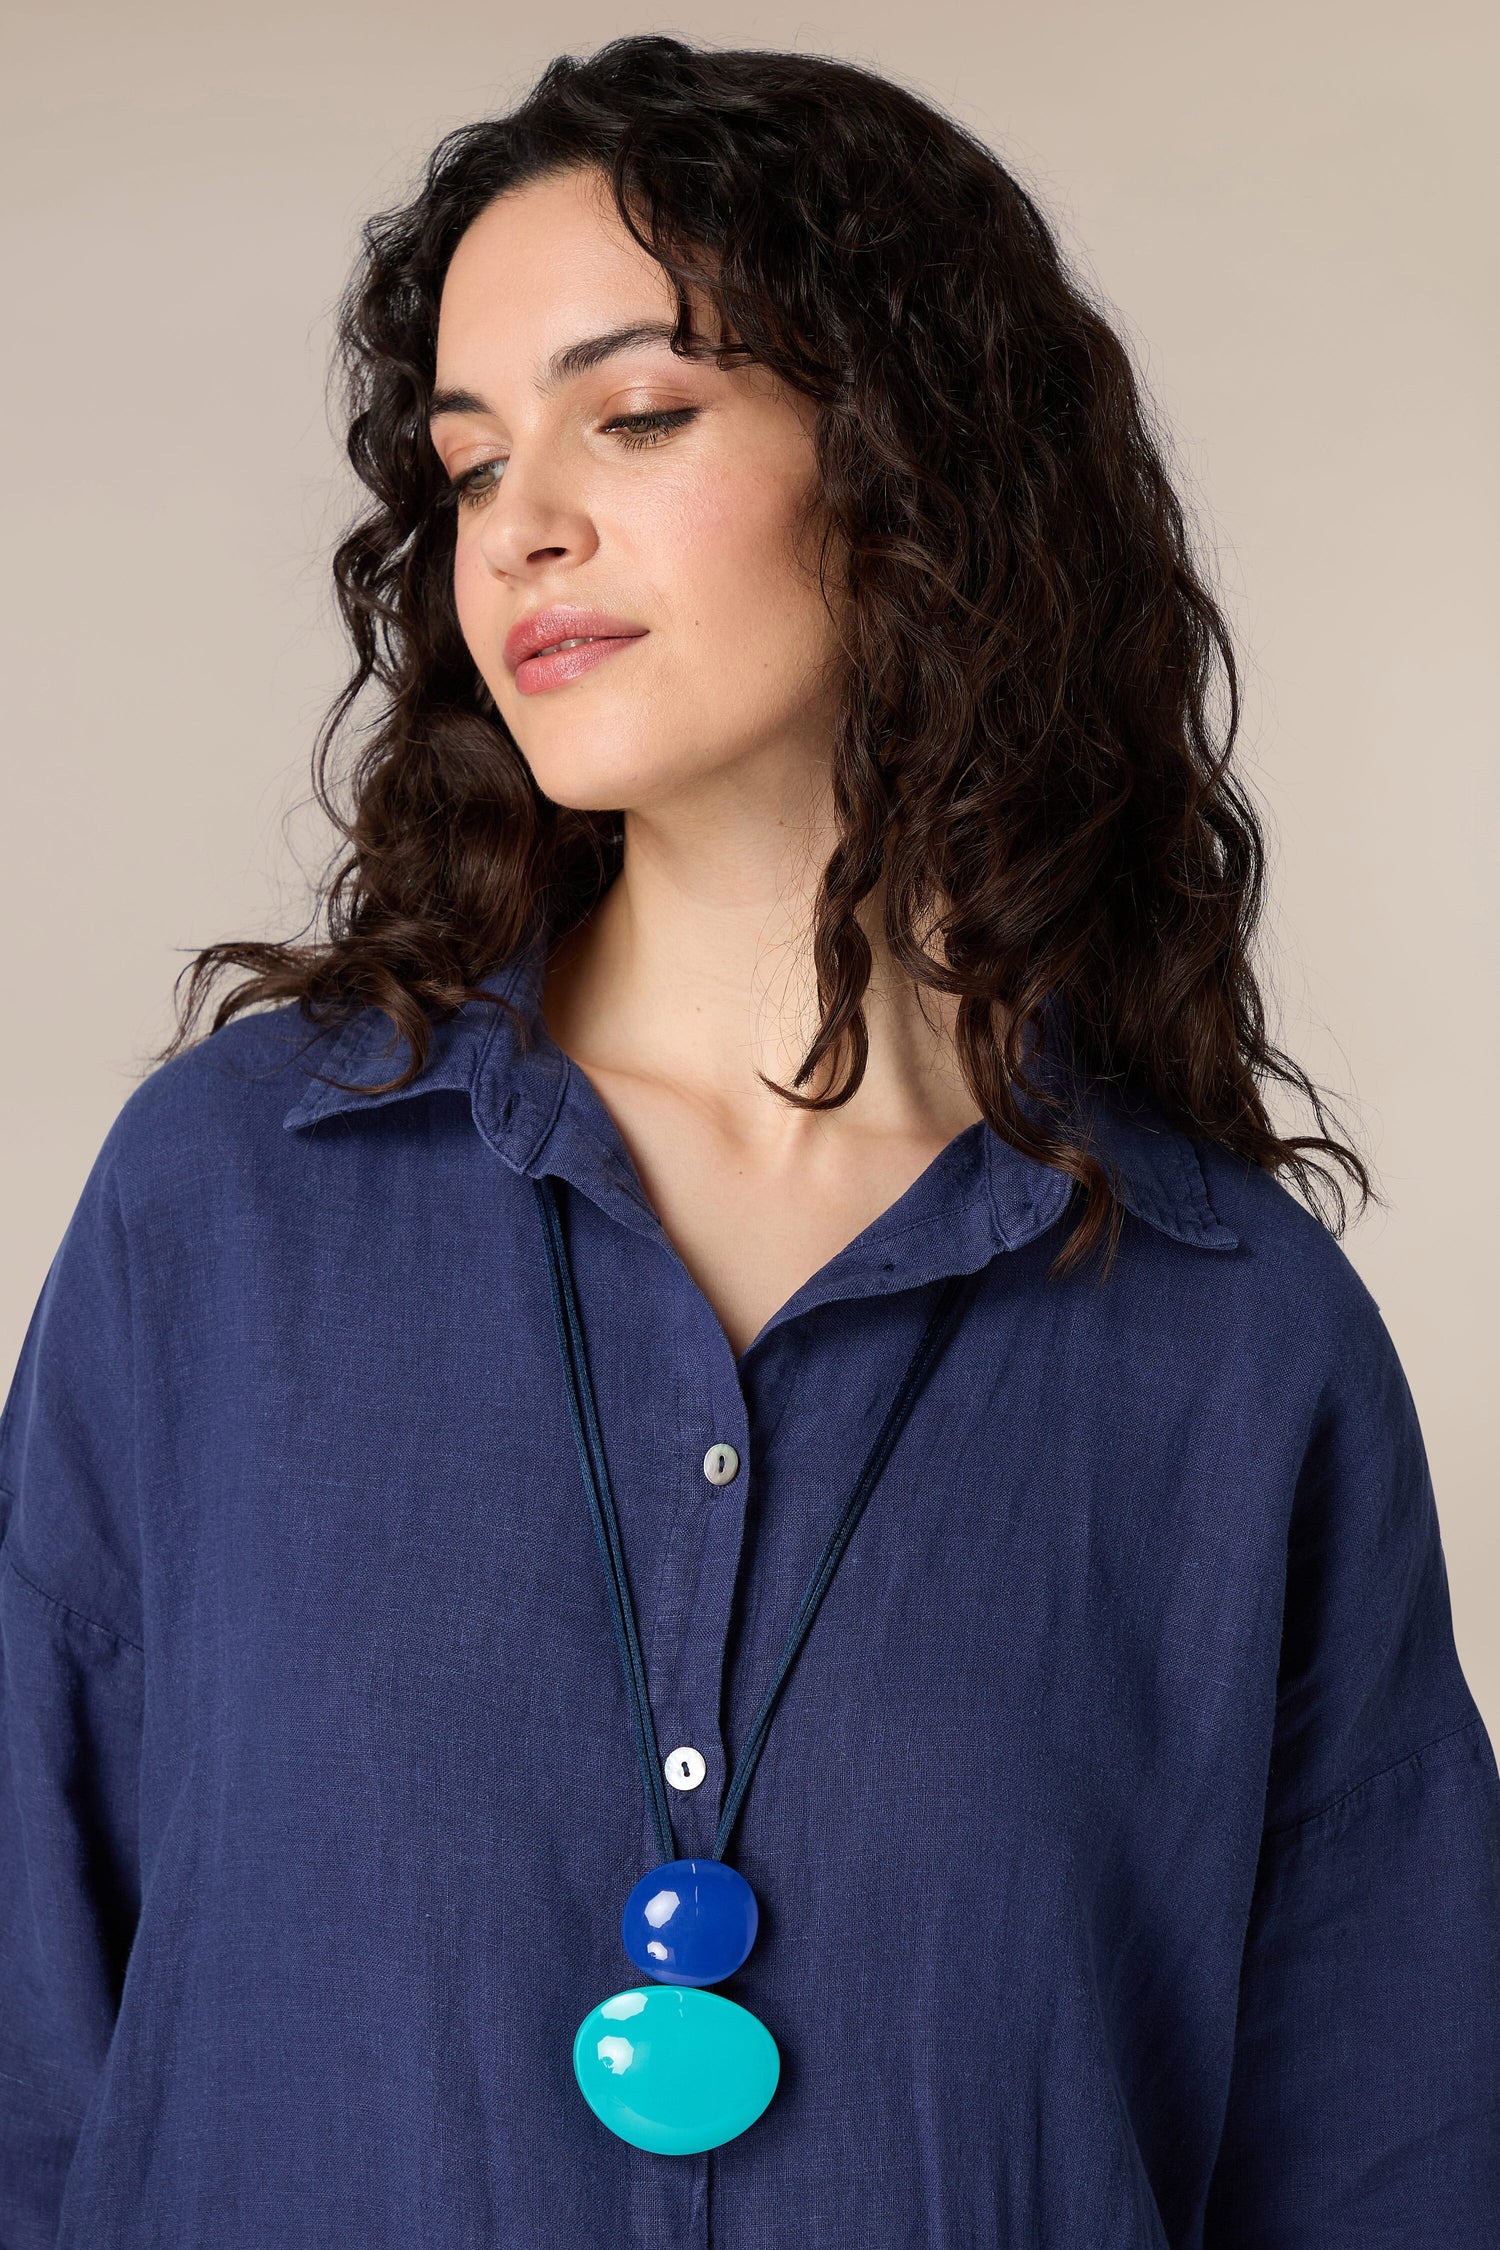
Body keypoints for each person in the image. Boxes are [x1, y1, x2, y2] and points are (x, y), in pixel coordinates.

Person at [2, 32, 1496, 2249]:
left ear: (915, 469)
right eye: (468, 457)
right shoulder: (225, 1213)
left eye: (637, 414)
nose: (522, 523)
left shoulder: (1234, 1335)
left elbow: (1391, 2163)